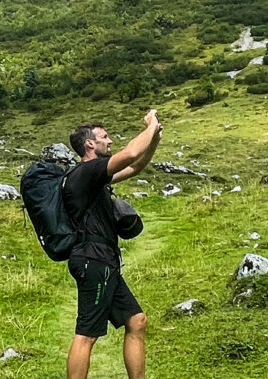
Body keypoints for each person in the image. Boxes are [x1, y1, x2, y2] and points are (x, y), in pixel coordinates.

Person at [63, 111, 163, 379]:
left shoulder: (95, 177)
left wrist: (154, 138)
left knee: (136, 321)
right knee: (86, 335)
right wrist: (150, 125)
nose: (110, 141)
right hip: (93, 260)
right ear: (89, 145)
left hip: (103, 261)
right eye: (104, 137)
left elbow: (135, 167)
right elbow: (130, 154)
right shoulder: (87, 171)